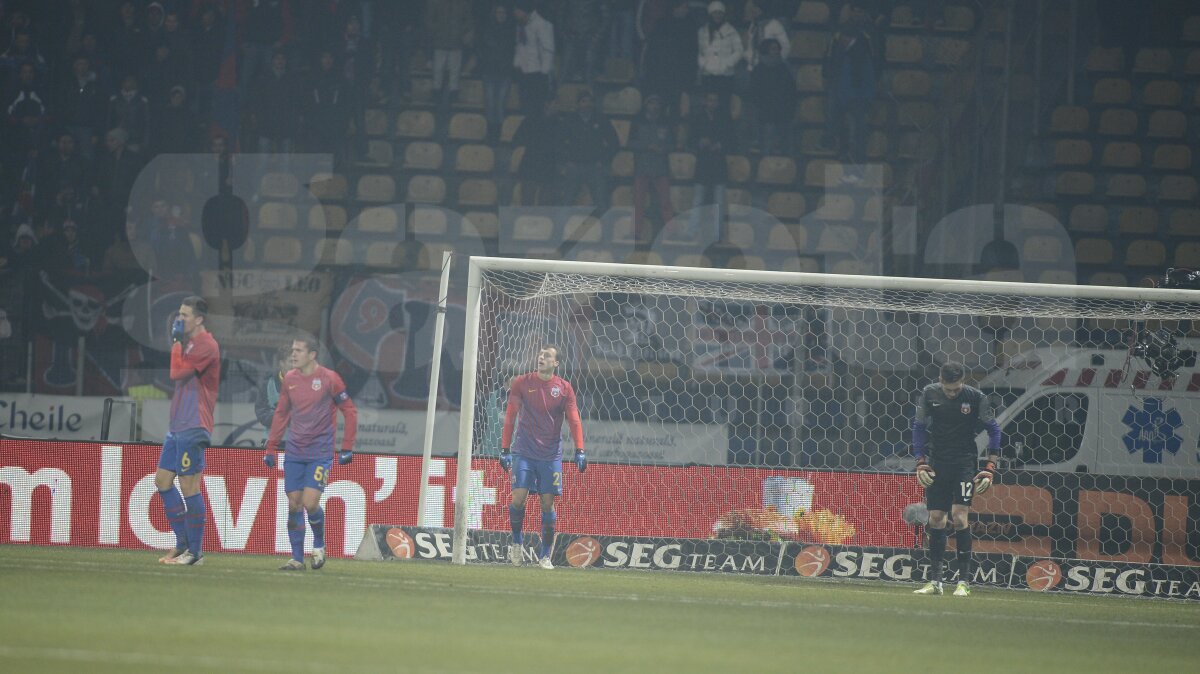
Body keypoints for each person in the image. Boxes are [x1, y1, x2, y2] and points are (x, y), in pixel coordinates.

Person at [264, 337, 358, 571]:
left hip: (320, 452)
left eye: (298, 350)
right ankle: (297, 558)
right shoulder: (290, 380)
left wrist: (347, 446)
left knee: (309, 502)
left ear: (312, 354)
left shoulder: (329, 379)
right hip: (295, 451)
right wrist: (271, 447)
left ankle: (318, 544)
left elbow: (350, 411)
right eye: (292, 350)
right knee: (294, 504)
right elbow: (281, 413)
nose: (293, 354)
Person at [911, 362, 1001, 597]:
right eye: (948, 389)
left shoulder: (975, 397)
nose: (952, 393)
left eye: (956, 389)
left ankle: (963, 582)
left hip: (964, 463)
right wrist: (920, 461)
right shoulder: (929, 394)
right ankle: (936, 582)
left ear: (963, 380)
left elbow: (994, 430)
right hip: (937, 463)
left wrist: (990, 466)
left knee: (960, 517)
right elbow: (918, 427)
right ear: (941, 380)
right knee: (936, 517)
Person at [500, 345, 586, 569]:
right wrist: (505, 449)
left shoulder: (564, 388)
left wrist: (580, 449)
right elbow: (510, 416)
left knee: (547, 504)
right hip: (524, 451)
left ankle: (545, 555)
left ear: (556, 363)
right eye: (540, 354)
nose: (541, 357)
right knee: (518, 498)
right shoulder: (521, 382)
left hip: (550, 455)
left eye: (547, 356)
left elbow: (574, 420)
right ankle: (517, 544)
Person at [156, 296, 221, 566]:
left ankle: (195, 553)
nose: (179, 319)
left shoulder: (206, 344)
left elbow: (176, 373)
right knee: (162, 481)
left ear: (199, 319)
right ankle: (183, 543)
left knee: (189, 485)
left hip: (194, 424)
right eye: (179, 314)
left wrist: (175, 343)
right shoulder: (191, 342)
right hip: (178, 425)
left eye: (185, 315)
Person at [512, 1, 554, 116]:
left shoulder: (542, 24)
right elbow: (519, 46)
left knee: (536, 108)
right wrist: (517, 64)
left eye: (517, 10)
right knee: (525, 107)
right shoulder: (521, 25)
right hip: (524, 72)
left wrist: (544, 72)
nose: (515, 13)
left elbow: (548, 50)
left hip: (537, 74)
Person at [255, 344, 293, 441]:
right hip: (272, 440)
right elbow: (261, 411)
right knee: (278, 457)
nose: (294, 365)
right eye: (291, 361)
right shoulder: (268, 382)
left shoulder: (307, 384)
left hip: (298, 443)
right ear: (282, 363)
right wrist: (279, 417)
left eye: (296, 361)